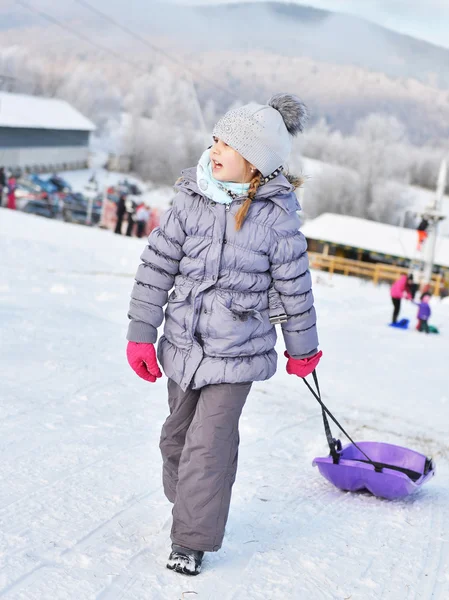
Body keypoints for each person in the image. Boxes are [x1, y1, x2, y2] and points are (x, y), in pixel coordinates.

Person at [126, 94, 321, 576]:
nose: (214, 149)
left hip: (237, 353)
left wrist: (303, 349)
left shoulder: (278, 220)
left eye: (228, 144)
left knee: (208, 447)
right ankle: (193, 503)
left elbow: (296, 291)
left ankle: (191, 539)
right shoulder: (190, 199)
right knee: (176, 441)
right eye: (215, 139)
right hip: (184, 346)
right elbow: (156, 267)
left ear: (255, 163)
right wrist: (140, 334)